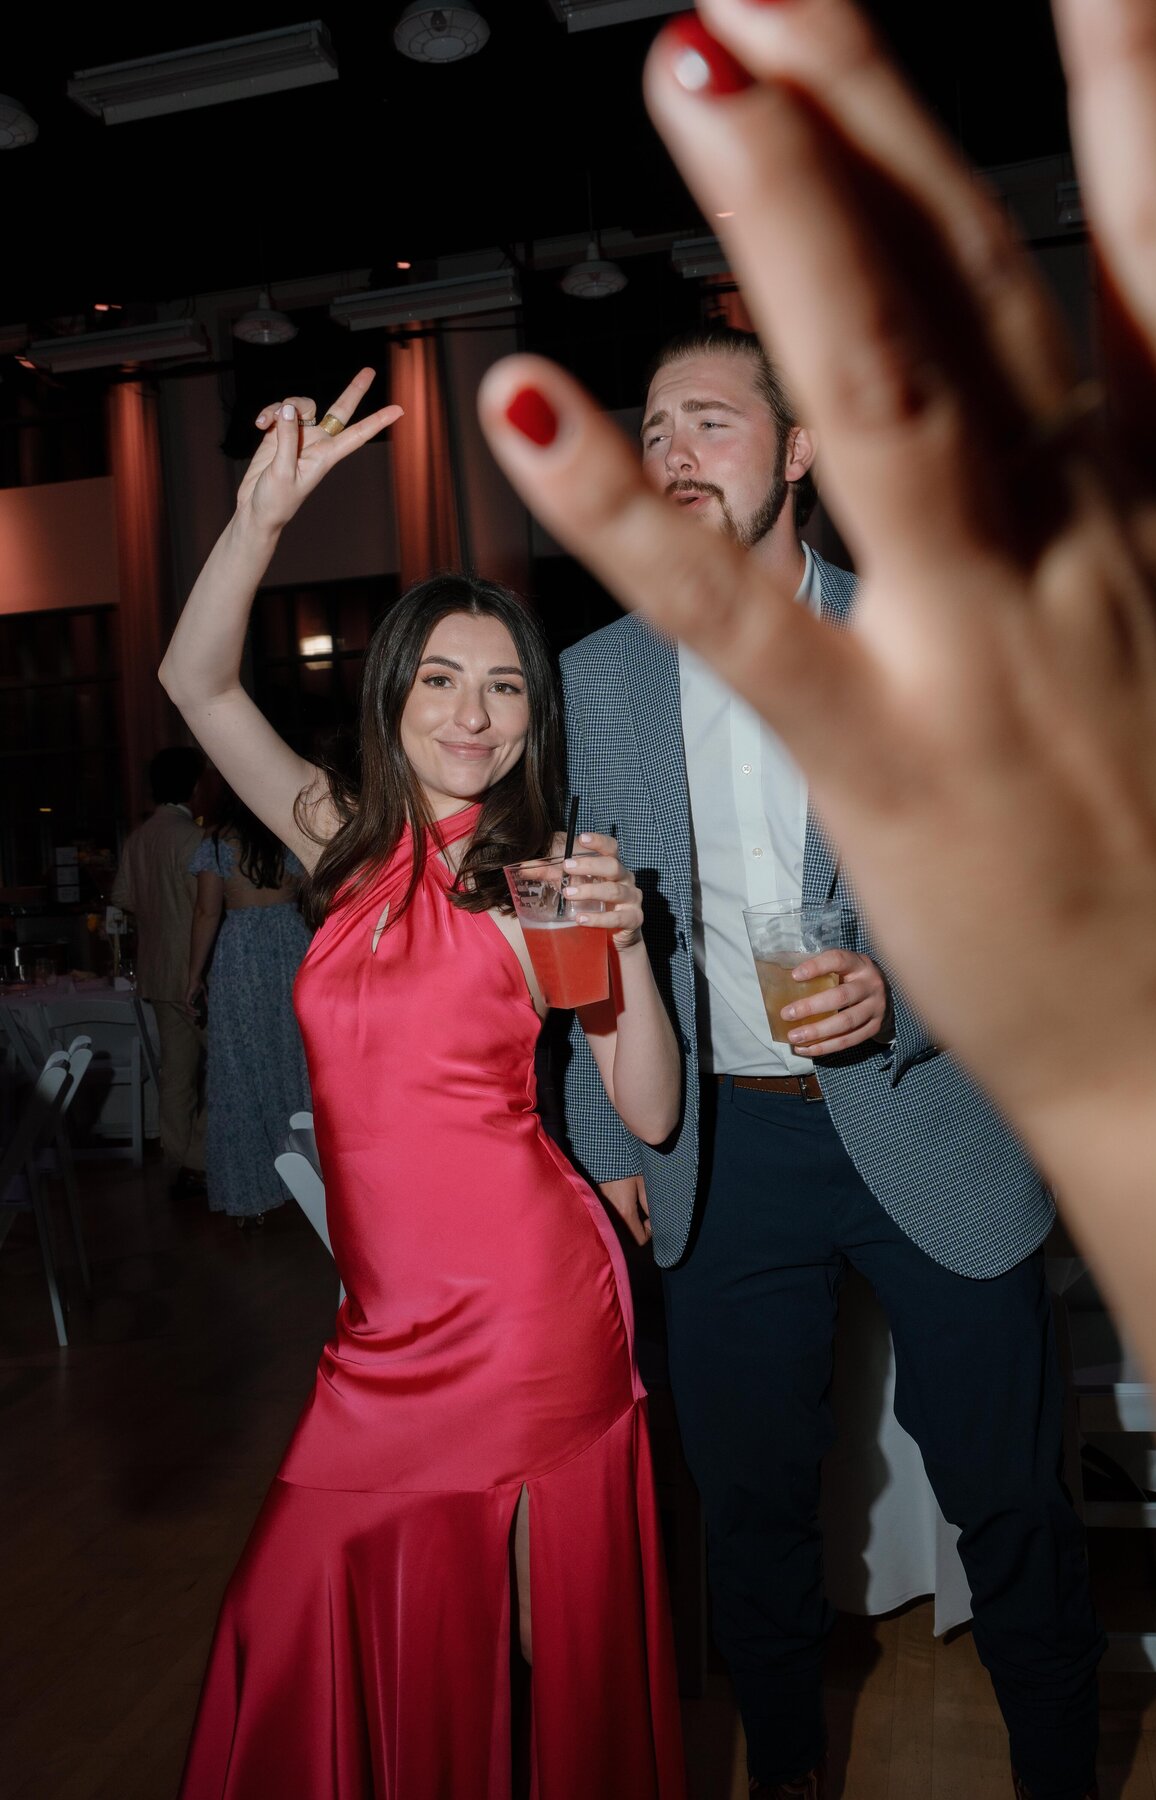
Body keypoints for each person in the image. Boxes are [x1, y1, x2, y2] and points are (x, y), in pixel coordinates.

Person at [474, 0, 1156, 1695]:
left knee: (1010, 1495)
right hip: (720, 1151)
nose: (669, 459)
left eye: (708, 426)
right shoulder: (587, 683)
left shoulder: (922, 643)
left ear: (797, 453)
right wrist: (609, 1136)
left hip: (932, 1120)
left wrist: (909, 998)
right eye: (650, 436)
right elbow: (592, 938)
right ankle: (788, 1755)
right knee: (748, 1511)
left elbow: (1025, 907)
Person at [158, 369, 687, 1800]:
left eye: (505, 685)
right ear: (393, 691)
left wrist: (628, 948)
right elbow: (194, 683)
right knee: (295, 1605)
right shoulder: (338, 841)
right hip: (378, 1339)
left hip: (527, 1319)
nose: (474, 714)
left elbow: (645, 1108)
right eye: (442, 679)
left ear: (533, 715)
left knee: (533, 1643)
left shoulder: (540, 887)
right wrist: (259, 520)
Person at [185, 782, 313, 1227]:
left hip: (240, 952)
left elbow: (206, 913)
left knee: (242, 1067)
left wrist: (193, 974)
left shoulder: (219, 842)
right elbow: (320, 897)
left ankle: (252, 1193)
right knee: (298, 1063)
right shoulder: (289, 833)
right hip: (293, 945)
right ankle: (313, 1184)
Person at [111, 744, 208, 1195]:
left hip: (155, 968)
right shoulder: (193, 839)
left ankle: (177, 1156)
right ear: (193, 785)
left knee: (177, 1072)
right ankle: (200, 1157)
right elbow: (207, 905)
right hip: (194, 969)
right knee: (224, 1065)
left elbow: (125, 897)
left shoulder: (139, 837)